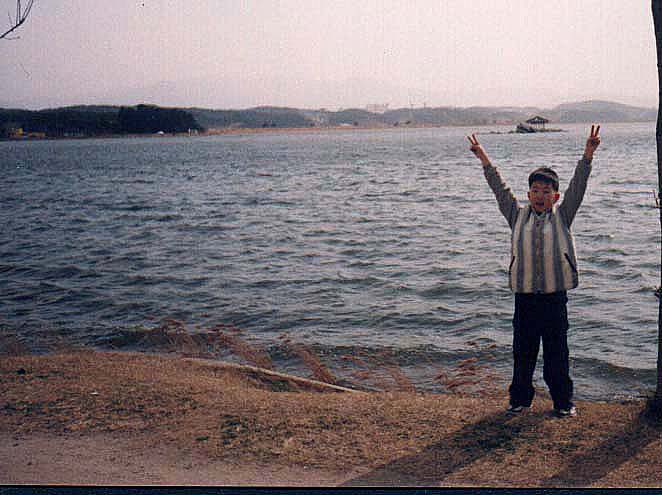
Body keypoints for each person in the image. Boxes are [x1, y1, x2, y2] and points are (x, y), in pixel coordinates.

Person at [467, 125, 601, 418]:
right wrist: (484, 158)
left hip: (555, 299)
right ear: (528, 194)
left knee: (557, 354)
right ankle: (520, 400)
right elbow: (499, 188)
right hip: (525, 299)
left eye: (546, 191)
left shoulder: (563, 216)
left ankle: (563, 403)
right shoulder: (516, 215)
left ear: (556, 196)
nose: (540, 196)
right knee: (523, 353)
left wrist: (587, 155)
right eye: (535, 191)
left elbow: (578, 186)